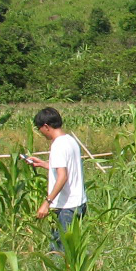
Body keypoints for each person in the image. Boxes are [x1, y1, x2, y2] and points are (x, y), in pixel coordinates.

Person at [27, 106, 87, 253]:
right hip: (79, 202)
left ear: (46, 126)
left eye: (39, 128)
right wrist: (43, 164)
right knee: (72, 248)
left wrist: (47, 203)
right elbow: (67, 168)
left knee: (61, 252)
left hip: (66, 206)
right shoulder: (70, 141)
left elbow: (63, 176)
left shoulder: (58, 145)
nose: (40, 132)